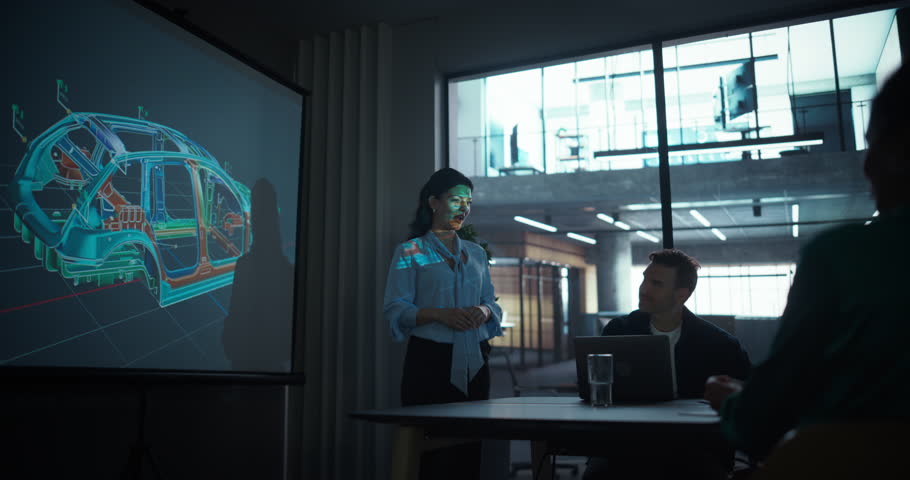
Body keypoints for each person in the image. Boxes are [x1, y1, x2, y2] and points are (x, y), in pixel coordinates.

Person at [704, 64, 910, 461]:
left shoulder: (845, 257)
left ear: (902, 149)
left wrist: (733, 401)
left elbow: (760, 424)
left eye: (876, 146)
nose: (867, 166)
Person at [584, 249, 751, 480]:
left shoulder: (721, 345)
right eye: (644, 279)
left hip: (694, 447)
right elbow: (594, 390)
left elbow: (749, 400)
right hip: (627, 444)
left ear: (681, 294)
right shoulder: (619, 330)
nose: (644, 288)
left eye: (656, 283)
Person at [383, 167, 502, 479]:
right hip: (429, 363)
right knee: (430, 456)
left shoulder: (476, 254)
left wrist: (484, 312)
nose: (464, 208)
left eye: (469, 202)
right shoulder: (412, 251)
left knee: (468, 454)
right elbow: (396, 308)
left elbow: (492, 303)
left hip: (475, 362)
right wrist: (439, 314)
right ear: (433, 202)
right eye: (456, 199)